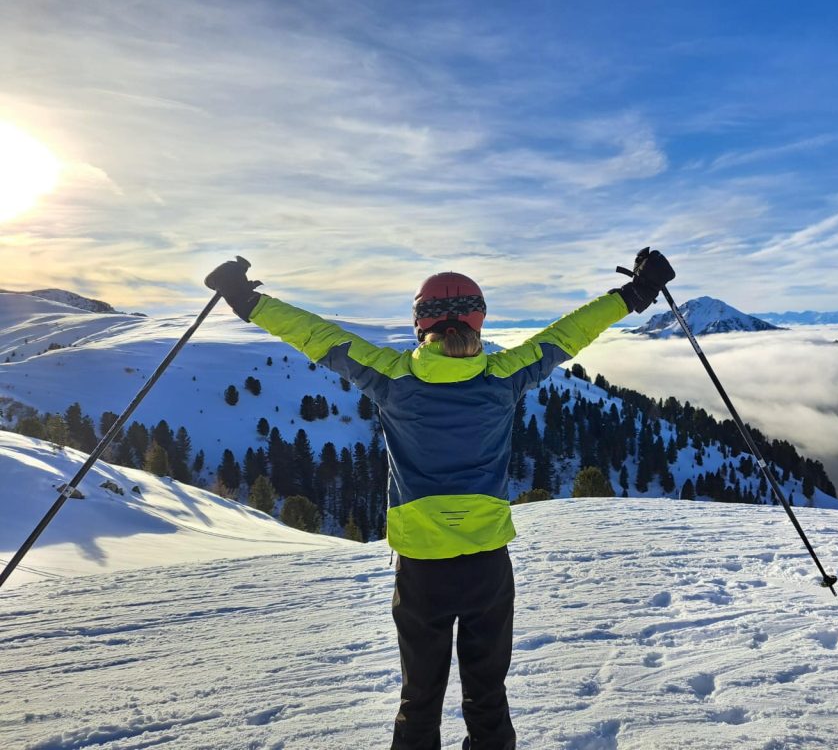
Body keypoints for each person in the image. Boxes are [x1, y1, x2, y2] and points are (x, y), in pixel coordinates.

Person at [204, 248, 675, 750]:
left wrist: (244, 299)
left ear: (417, 323)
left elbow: (317, 336)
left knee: (421, 695)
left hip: (422, 567)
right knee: (487, 694)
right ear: (479, 319)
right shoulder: (503, 375)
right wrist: (636, 293)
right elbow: (566, 334)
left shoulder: (391, 377)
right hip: (487, 563)